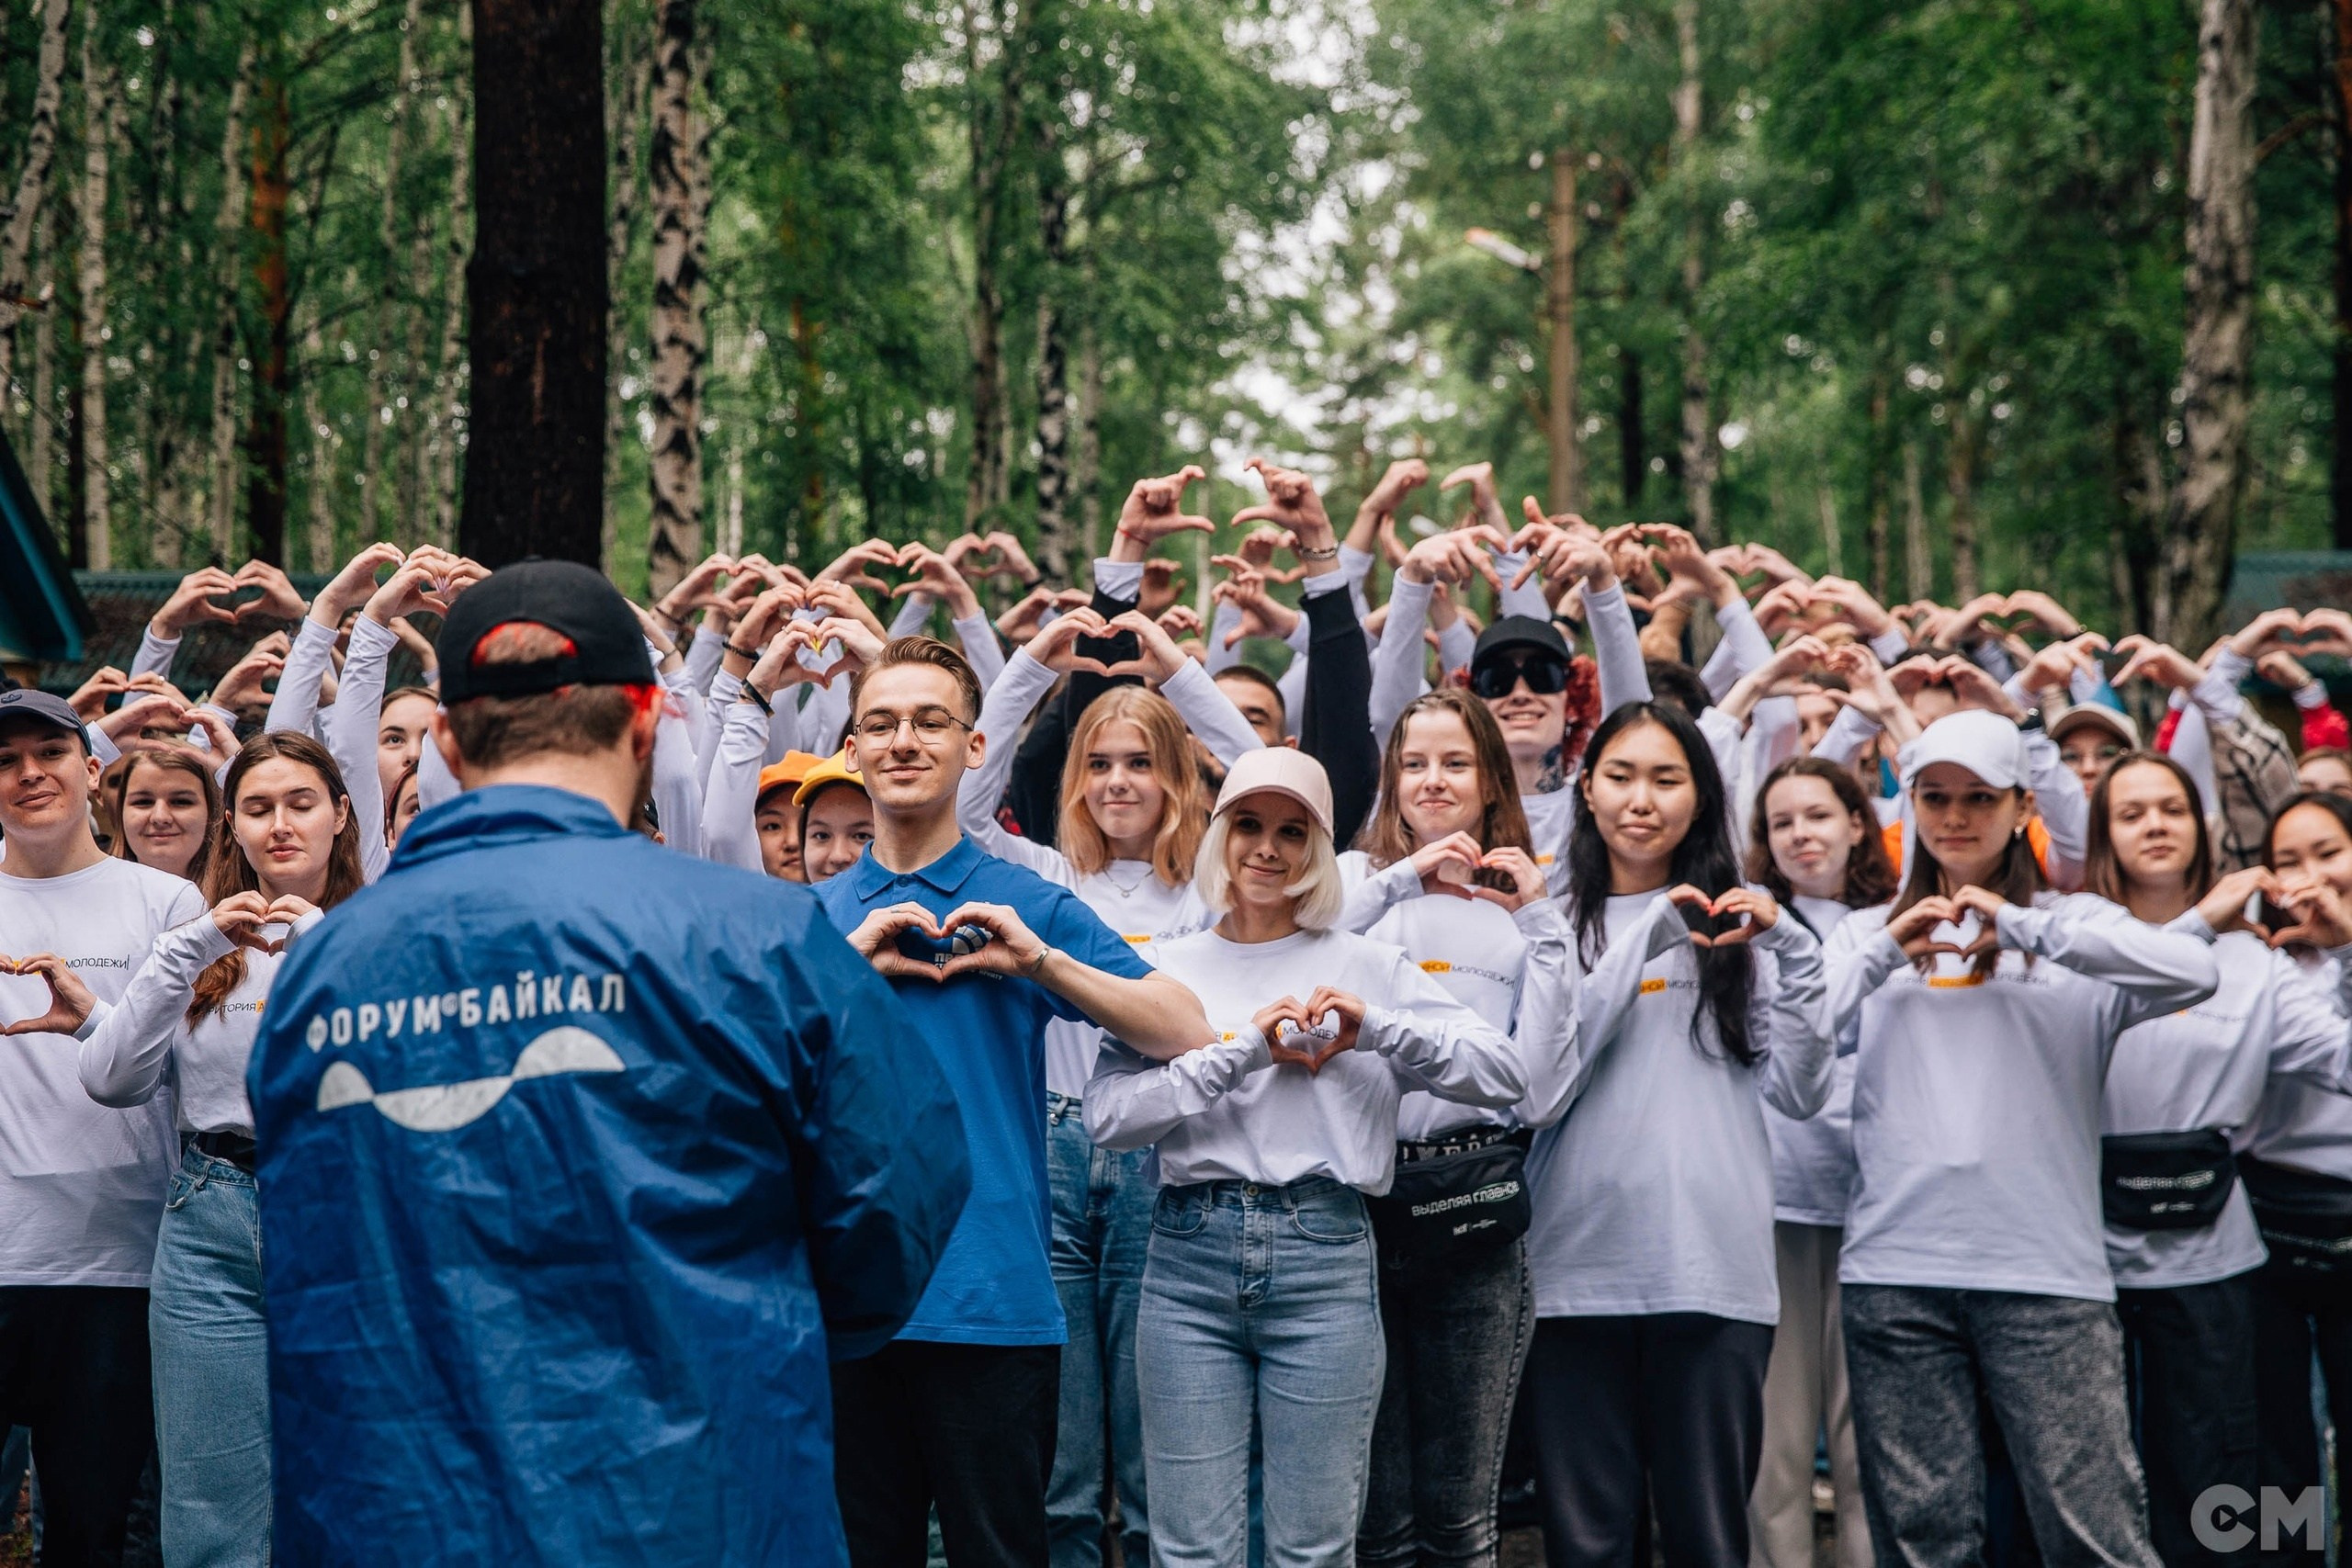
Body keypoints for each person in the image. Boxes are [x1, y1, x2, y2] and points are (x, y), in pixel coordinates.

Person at [243, 559, 972, 1565]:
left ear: (448, 739)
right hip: (697, 1498)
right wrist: (750, 1326)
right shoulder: (758, 937)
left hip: (394, 1511)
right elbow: (896, 1203)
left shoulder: (320, 971)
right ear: (645, 721)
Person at [818, 633, 1216, 1568]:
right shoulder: (813, 914)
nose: (903, 741)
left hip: (989, 1297)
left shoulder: (1022, 901)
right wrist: (848, 970)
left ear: (971, 746)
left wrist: (1040, 962)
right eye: (880, 723)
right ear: (854, 749)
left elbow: (1183, 1028)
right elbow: (746, 1072)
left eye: (929, 722)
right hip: (845, 1301)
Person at [1083, 747, 1528, 1568]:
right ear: (1219, 835)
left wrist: (1379, 1028)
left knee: (1315, 1551)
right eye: (1248, 824)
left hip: (1325, 1251)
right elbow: (1108, 1118)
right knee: (1188, 1551)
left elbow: (1504, 1072)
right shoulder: (1169, 967)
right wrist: (1238, 1050)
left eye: (1293, 831)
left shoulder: (1366, 964)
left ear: (1320, 849)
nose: (1267, 847)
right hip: (1187, 1254)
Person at [1822, 710, 2220, 1566]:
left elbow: (2198, 969)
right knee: (1927, 1541)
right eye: (1935, 798)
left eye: (1979, 798)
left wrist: (2028, 926)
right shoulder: (1866, 935)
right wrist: (1887, 952)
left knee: (2093, 1532)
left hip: (2046, 1277)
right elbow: (1793, 1045)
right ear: (1909, 807)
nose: (1956, 817)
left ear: (2021, 805)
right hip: (1896, 1272)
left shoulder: (2077, 926)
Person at [954, 607, 1258, 1568]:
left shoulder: (1215, 889)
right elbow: (963, 805)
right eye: (1099, 763)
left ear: (1177, 776)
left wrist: (1178, 674)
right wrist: (1026, 672)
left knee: (1161, 1447)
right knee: (1064, 1465)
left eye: (1140, 761)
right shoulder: (1042, 878)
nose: (1117, 781)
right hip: (1047, 1159)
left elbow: (1266, 781)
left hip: (1165, 1171)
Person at [1521, 702, 1834, 1568]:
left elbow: (1804, 1094)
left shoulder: (1748, 928)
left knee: (1708, 1539)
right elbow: (1544, 1078)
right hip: (1573, 1275)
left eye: (1667, 779)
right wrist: (1654, 932)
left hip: (1713, 1276)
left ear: (1702, 797)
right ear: (1585, 790)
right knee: (1587, 1545)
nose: (1641, 800)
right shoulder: (1546, 917)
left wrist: (1801, 958)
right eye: (1620, 776)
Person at [75, 731, 368, 1566]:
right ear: (230, 825)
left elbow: (403, 1077)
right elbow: (112, 1078)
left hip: (344, 1212)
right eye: (259, 807)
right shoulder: (194, 937)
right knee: (210, 1503)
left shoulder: (383, 927)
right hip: (210, 1216)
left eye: (301, 803)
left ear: (340, 814)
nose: (281, 824)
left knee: (353, 1480)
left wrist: (323, 949)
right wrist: (189, 947)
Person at [2086, 755, 2352, 1566]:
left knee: (2243, 1460)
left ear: (2204, 826)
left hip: (2218, 1255)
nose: (2157, 824)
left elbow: (2341, 1058)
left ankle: (2286, 1562)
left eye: (2173, 806)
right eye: (2132, 812)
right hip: (2084, 1253)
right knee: (2102, 1465)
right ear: (2101, 833)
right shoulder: (2073, 937)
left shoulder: (2257, 963)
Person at [1338, 688, 1582, 1568]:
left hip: (1473, 1209)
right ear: (1389, 778)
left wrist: (1541, 921)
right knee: (1376, 1517)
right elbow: (1304, 946)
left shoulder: (1526, 908)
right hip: (1354, 1212)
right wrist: (1403, 875)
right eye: (1413, 762)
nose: (1432, 781)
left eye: (1454, 762)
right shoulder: (1360, 883)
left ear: (1490, 778)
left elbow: (1544, 1091)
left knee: (1460, 1516)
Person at [0, 687, 209, 1568]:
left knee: (89, 1536)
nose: (28, 774)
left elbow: (197, 1073)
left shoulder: (168, 903)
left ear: (95, 769)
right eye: (5, 761)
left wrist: (96, 1024)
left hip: (119, 1264)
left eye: (48, 752)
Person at [1742, 757, 1897, 1568]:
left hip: (1883, 1209)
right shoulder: (1753, 930)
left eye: (1818, 814)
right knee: (1777, 1443)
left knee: (1871, 1436)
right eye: (1781, 821)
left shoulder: (1899, 919)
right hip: (1778, 1203)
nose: (1801, 834)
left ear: (1857, 822)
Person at [2240, 790, 2352, 1540]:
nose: (2310, 875)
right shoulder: (2257, 963)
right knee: (2276, 1437)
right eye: (2288, 861)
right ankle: (2289, 1558)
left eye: (2327, 852)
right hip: (2267, 1218)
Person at [105, 745, 222, 884]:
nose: (160, 817)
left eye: (180, 801)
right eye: (143, 802)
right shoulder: (90, 895)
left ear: (211, 810)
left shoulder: (244, 896)